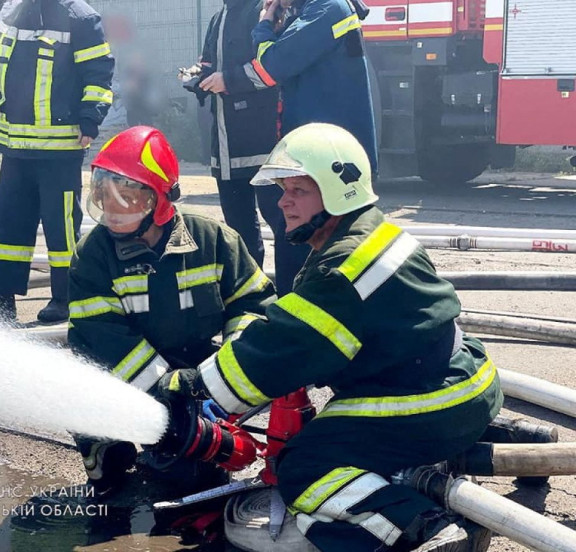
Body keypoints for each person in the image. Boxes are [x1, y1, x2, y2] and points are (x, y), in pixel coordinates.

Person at [158, 123, 503, 552]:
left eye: (298, 190)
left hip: (432, 403)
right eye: (283, 188)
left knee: (305, 468)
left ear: (340, 191)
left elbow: (283, 348)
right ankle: (454, 457)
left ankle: (424, 527)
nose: (282, 201)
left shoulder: (342, 267)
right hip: (466, 382)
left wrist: (195, 386)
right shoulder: (369, 231)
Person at [66, 125, 276, 494]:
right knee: (107, 465)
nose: (112, 210)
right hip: (119, 375)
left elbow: (253, 305)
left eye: (126, 198)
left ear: (160, 200)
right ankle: (102, 446)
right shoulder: (94, 255)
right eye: (104, 195)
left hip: (194, 367)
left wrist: (223, 377)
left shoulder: (214, 241)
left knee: (189, 478)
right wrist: (168, 388)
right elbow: (105, 340)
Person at [0, 0, 114, 323]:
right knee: (8, 225)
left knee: (61, 231)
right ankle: (1, 299)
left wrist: (90, 118)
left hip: (59, 149)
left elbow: (99, 75)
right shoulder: (10, 10)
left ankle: (66, 299)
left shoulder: (80, 17)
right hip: (14, 146)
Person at [191, 0, 309, 295]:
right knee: (238, 232)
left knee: (284, 223)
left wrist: (227, 80)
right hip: (226, 145)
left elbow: (272, 67)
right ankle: (250, 299)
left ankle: (289, 296)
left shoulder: (263, 10)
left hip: (263, 142)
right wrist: (199, 76)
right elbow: (209, 60)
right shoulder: (220, 17)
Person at [244, 0, 379, 175]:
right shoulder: (319, 10)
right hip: (325, 153)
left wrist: (264, 26)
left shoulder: (326, 9)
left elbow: (273, 64)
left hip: (330, 159)